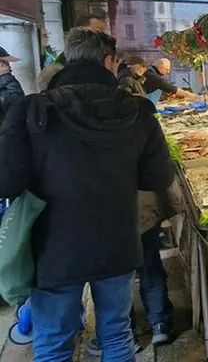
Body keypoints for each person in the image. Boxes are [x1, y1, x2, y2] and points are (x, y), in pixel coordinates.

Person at [0, 28, 174, 361]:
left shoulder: (31, 110)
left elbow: (5, 183)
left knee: (53, 342)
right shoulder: (138, 113)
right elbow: (158, 177)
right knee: (117, 334)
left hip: (54, 247)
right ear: (109, 61)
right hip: (118, 240)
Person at [0, 46, 24, 124]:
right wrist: (6, 76)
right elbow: (17, 105)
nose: (9, 66)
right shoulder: (6, 81)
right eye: (4, 62)